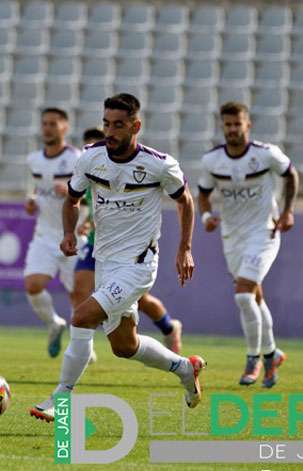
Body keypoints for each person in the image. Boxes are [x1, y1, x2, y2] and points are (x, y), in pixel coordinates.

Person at [30, 94, 205, 422]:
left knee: (81, 317)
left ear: (135, 126)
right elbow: (71, 200)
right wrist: (69, 233)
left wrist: (185, 248)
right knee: (124, 346)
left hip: (138, 264)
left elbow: (185, 201)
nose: (110, 131)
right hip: (105, 262)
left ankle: (61, 397)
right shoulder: (90, 159)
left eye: (119, 125)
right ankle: (185, 368)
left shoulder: (158, 164)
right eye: (107, 123)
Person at [197, 101, 299, 388]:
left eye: (237, 124)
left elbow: (291, 174)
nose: (232, 129)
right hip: (232, 237)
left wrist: (288, 210)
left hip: (264, 232)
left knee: (243, 295)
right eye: (227, 124)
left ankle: (255, 359)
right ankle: (272, 354)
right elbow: (203, 193)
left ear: (247, 125)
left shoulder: (266, 154)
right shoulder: (212, 161)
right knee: (254, 298)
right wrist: (205, 215)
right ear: (223, 127)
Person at [75, 128, 185, 354]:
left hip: (127, 250)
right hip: (97, 246)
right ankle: (85, 345)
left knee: (141, 301)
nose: (91, 151)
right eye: (86, 147)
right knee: (80, 289)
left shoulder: (123, 170)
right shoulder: (89, 170)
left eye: (95, 145)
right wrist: (85, 221)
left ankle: (168, 327)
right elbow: (87, 203)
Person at [23, 108, 84, 358]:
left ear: (65, 128)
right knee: (33, 284)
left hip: (74, 235)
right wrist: (32, 201)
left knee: (78, 296)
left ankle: (81, 345)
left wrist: (69, 191)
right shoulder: (33, 160)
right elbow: (39, 189)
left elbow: (90, 194)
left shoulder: (77, 159)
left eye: (53, 124)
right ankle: (54, 324)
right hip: (45, 235)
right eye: (45, 124)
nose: (47, 128)